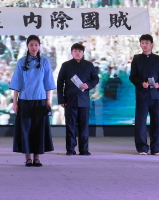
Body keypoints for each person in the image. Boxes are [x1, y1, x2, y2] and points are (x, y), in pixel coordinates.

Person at [10, 35, 56, 167]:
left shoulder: (45, 61)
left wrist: (48, 100)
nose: (34, 47)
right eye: (31, 45)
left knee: (38, 129)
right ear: (27, 46)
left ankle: (37, 158)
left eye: (36, 45)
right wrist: (14, 102)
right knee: (26, 129)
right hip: (24, 100)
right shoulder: (21, 62)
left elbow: (48, 82)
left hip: (40, 100)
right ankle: (28, 158)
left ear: (39, 46)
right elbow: (17, 83)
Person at [57, 42, 99, 156]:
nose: (77, 53)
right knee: (70, 126)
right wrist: (61, 99)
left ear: (83, 53)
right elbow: (60, 82)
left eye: (79, 51)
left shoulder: (89, 65)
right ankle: (70, 149)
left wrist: (88, 85)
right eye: (75, 51)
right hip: (69, 100)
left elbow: (95, 79)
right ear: (71, 53)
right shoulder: (66, 65)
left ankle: (84, 149)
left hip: (84, 101)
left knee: (84, 126)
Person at [129, 34, 159, 155]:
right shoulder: (136, 59)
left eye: (147, 43)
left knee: (156, 122)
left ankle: (156, 148)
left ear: (152, 45)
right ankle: (142, 148)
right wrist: (141, 83)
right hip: (142, 94)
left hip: (155, 94)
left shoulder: (158, 59)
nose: (144, 45)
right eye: (142, 43)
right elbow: (132, 76)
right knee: (140, 122)